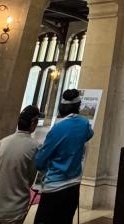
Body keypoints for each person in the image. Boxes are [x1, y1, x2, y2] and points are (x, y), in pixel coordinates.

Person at [33, 90, 93, 224]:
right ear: (78, 106)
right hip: (73, 185)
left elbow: (40, 161)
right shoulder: (84, 124)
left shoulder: (58, 128)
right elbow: (89, 134)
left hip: (55, 186)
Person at [0, 105, 41, 224]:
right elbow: (31, 178)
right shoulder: (35, 147)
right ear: (33, 123)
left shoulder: (2, 142)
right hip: (14, 209)